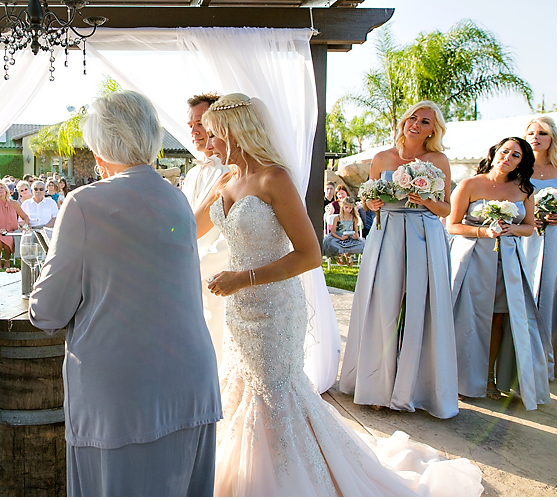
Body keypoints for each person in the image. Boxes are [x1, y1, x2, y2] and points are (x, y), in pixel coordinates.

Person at [197, 93, 481, 496]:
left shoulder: (273, 178)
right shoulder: (224, 179)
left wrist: (243, 278)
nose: (209, 145)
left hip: (274, 305)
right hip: (238, 310)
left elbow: (310, 255)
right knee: (242, 386)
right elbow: (184, 229)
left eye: (212, 136)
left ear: (232, 131)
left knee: (275, 393)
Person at [29, 90, 221, 497]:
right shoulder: (178, 201)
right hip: (191, 382)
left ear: (99, 149)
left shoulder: (84, 203)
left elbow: (47, 311)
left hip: (123, 394)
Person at [339, 101, 457, 418]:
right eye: (413, 118)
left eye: (425, 121)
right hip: (386, 231)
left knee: (421, 307)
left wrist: (427, 200)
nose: (416, 124)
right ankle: (377, 386)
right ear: (404, 122)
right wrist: (371, 202)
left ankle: (415, 388)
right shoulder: (381, 158)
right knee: (382, 305)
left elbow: (447, 209)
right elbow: (367, 199)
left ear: (434, 130)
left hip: (424, 234)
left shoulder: (439, 161)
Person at [447, 137, 550, 409]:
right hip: (472, 258)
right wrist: (483, 231)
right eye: (505, 151)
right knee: (466, 316)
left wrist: (510, 229)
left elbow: (529, 226)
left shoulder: (524, 190)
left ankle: (489, 379)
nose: (508, 157)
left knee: (496, 320)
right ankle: (459, 378)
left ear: (521, 162)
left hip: (508, 261)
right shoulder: (470, 184)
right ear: (494, 153)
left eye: (515, 155)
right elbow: (453, 225)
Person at [181, 92, 231, 371]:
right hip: (187, 275)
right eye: (190, 125)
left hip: (216, 274)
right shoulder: (193, 174)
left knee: (216, 345)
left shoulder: (232, 171)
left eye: (200, 122)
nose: (194, 131)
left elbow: (232, 232)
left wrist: (200, 266)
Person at [522, 116, 557, 377]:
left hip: (555, 237)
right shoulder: (519, 168)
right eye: (532, 132)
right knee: (524, 289)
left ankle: (548, 359)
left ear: (552, 138)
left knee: (551, 292)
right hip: (526, 236)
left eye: (542, 133)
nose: (536, 137)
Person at [0, 180, 29, 273]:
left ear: (6, 190)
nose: (0, 190)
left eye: (2, 188)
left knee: (9, 237)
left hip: (11, 231)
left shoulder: (14, 203)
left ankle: (7, 261)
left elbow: (25, 217)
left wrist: (25, 226)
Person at [322, 197, 365, 266]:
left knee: (361, 245)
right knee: (333, 244)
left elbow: (356, 231)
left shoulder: (354, 218)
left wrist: (356, 236)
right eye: (346, 207)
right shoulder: (337, 218)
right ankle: (339, 256)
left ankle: (348, 254)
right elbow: (332, 232)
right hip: (338, 237)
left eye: (350, 208)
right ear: (342, 206)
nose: (348, 210)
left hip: (350, 237)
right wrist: (340, 238)